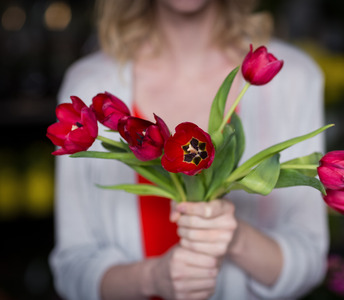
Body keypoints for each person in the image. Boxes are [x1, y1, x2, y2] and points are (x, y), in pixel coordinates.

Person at [49, 0, 329, 299]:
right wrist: (152, 279)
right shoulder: (90, 84)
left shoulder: (294, 79)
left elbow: (310, 259)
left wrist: (235, 238)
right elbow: (73, 268)